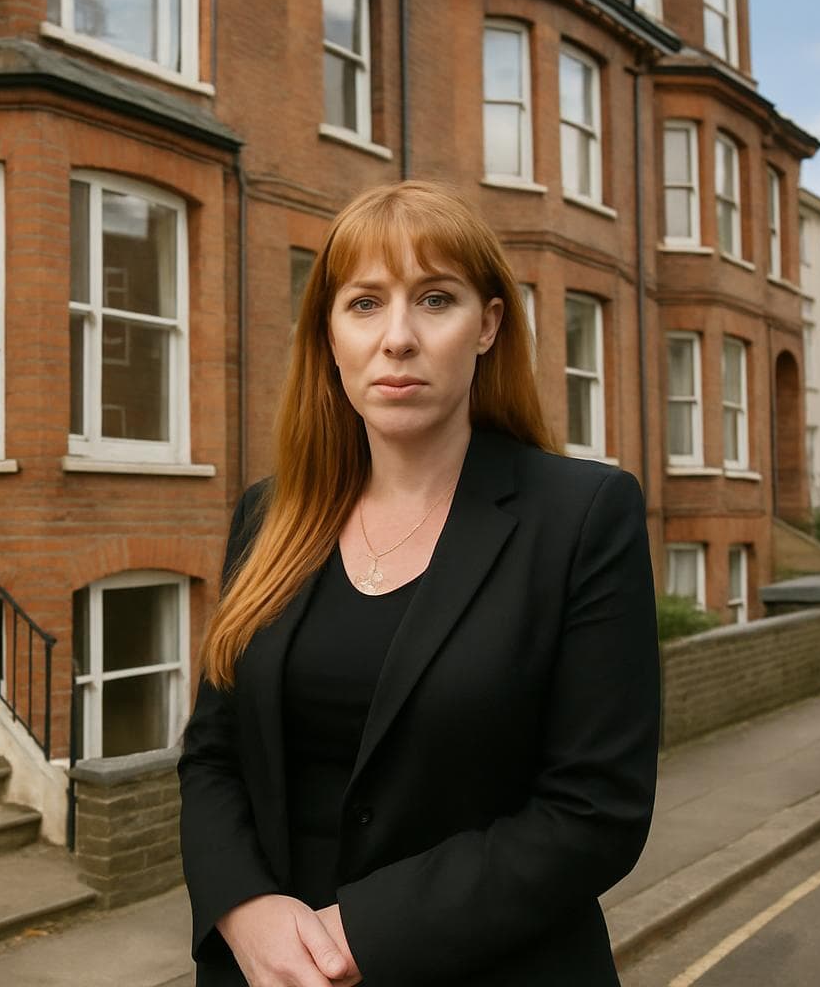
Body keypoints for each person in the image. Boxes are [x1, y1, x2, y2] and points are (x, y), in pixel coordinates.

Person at [178, 181, 660, 987]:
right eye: (364, 304)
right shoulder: (268, 517)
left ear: (488, 326)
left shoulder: (582, 517)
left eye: (435, 299)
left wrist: (362, 934)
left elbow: (593, 811)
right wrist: (244, 909)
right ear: (329, 336)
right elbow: (212, 757)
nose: (396, 338)